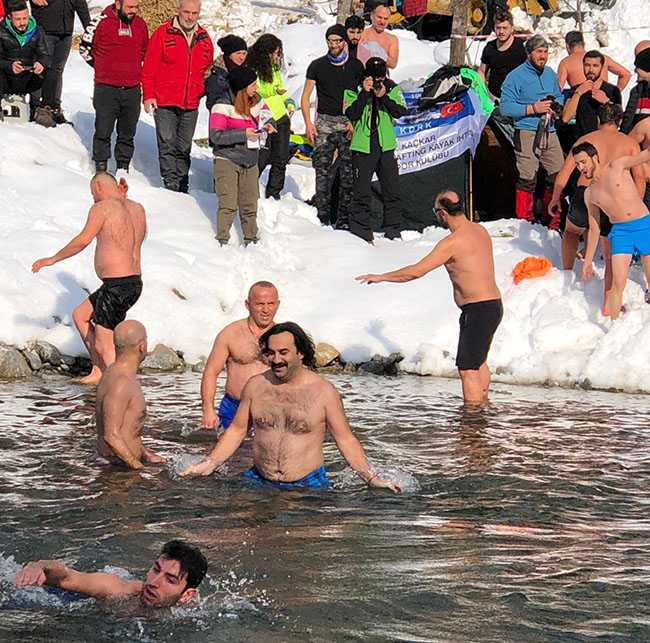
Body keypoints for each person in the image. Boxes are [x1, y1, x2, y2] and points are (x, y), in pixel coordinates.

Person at [182, 322, 402, 492]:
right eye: (271, 353)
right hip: (259, 480)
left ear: (301, 353)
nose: (276, 359)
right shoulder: (256, 386)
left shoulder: (324, 392)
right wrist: (210, 463)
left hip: (307, 486)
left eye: (284, 352)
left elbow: (345, 439)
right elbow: (237, 430)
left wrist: (371, 478)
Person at [356, 190, 502, 404]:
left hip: (478, 309)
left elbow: (416, 271)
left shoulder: (452, 243)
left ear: (443, 214)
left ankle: (472, 425)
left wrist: (382, 277)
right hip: (492, 307)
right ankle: (483, 408)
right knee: (478, 362)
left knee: (467, 369)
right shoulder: (480, 230)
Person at [32, 172, 146, 384]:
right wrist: (123, 197)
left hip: (117, 285)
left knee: (105, 343)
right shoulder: (137, 208)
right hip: (131, 283)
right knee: (80, 315)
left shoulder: (101, 208)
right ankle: (99, 371)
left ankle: (121, 387)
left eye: (93, 192)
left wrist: (53, 258)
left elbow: (83, 240)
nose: (93, 197)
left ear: (100, 187)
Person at [549, 104, 645, 316]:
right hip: (614, 204)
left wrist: (555, 198)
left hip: (586, 194)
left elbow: (565, 171)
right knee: (610, 255)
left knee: (572, 231)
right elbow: (639, 179)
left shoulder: (585, 141)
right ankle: (607, 303)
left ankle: (567, 273)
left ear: (598, 121)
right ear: (620, 122)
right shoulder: (629, 143)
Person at [141, 0, 213, 193]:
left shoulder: (204, 37)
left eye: (194, 13)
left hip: (190, 102)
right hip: (165, 99)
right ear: (178, 11)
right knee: (167, 143)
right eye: (186, 12)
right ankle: (170, 184)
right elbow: (149, 68)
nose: (190, 17)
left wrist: (200, 89)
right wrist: (148, 95)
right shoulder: (163, 34)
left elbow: (205, 66)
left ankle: (182, 184)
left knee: (184, 147)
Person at [14, 540, 208, 609]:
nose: (154, 582)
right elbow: (68, 577)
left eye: (170, 580)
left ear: (187, 595)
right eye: (156, 570)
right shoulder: (117, 589)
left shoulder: (193, 612)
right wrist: (38, 566)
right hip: (68, 599)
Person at [575, 143, 650, 320]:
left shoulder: (617, 166)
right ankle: (614, 324)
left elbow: (645, 155)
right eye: (577, 164)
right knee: (617, 283)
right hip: (620, 233)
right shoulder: (590, 193)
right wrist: (587, 261)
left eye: (583, 162)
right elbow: (594, 229)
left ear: (595, 158)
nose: (581, 168)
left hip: (643, 225)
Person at [301, 24, 363, 228]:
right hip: (325, 121)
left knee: (347, 172)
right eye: (330, 41)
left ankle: (343, 218)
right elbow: (306, 95)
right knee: (322, 169)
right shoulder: (317, 66)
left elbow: (361, 97)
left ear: (344, 42)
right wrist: (309, 123)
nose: (333, 44)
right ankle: (323, 216)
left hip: (347, 122)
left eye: (337, 40)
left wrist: (355, 123)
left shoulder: (355, 66)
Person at [500, 35, 564, 228]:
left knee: (558, 175)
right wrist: (532, 109)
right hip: (526, 131)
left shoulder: (551, 74)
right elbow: (505, 107)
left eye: (545, 52)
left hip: (549, 130)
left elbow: (559, 95)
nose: (542, 56)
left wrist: (557, 106)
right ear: (529, 53)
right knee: (528, 177)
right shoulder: (515, 76)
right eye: (538, 52)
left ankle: (552, 219)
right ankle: (525, 221)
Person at [80, 0, 149, 173]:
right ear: (118, 4)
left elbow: (144, 51)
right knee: (103, 130)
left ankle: (123, 167)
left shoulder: (140, 25)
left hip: (132, 88)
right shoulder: (100, 22)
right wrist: (102, 67)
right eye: (130, 7)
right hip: (106, 88)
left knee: (127, 133)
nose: (133, 11)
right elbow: (84, 48)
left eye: (136, 7)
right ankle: (101, 167)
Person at [209, 66, 275, 246]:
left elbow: (268, 116)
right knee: (228, 203)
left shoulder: (257, 101)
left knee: (250, 204)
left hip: (250, 160)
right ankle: (222, 240)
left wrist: (269, 124)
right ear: (242, 87)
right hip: (227, 159)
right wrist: (243, 134)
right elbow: (216, 136)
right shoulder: (222, 106)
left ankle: (251, 239)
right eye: (253, 85)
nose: (256, 88)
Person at [343, 56, 406, 243]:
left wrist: (383, 96)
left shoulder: (392, 87)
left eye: (380, 77)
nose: (377, 81)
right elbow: (351, 113)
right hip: (363, 145)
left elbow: (400, 111)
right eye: (373, 77)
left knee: (392, 189)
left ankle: (393, 230)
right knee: (361, 190)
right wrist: (365, 91)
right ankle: (361, 230)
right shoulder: (354, 87)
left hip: (385, 145)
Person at [201, 281, 279, 430]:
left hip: (272, 408)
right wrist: (208, 410)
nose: (266, 310)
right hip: (234, 407)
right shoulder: (230, 334)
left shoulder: (283, 337)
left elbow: (298, 375)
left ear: (278, 304)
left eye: (271, 304)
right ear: (247, 305)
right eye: (260, 304)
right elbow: (211, 372)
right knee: (228, 450)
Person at [95, 320, 165, 469]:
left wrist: (146, 454)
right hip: (116, 467)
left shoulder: (115, 373)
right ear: (141, 346)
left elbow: (128, 425)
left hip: (122, 461)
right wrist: (139, 468)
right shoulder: (121, 383)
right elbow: (111, 435)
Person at [246, 34, 294, 200]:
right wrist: (274, 91)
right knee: (262, 157)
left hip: (280, 117)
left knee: (281, 159)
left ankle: (274, 194)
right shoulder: (253, 69)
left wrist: (288, 100)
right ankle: (250, 190)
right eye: (274, 53)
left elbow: (279, 87)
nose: (276, 57)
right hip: (264, 118)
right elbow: (260, 91)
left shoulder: (274, 69)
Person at [28, 0, 90, 124]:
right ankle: (37, 109)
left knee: (57, 71)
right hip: (44, 28)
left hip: (65, 31)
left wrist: (89, 28)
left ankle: (54, 110)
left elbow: (80, 3)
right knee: (41, 69)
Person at [0, 0, 55, 126]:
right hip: (6, 78)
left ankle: (43, 110)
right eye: (18, 19)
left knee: (51, 72)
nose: (22, 23)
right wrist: (10, 66)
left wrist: (41, 64)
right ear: (10, 17)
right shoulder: (1, 31)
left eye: (25, 18)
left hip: (27, 76)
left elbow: (45, 55)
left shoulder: (37, 31)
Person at [561, 50, 622, 140]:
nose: (591, 70)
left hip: (604, 141)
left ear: (602, 67)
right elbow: (566, 118)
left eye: (595, 66)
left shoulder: (612, 90)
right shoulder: (576, 89)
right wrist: (578, 93)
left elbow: (619, 120)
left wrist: (606, 102)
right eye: (587, 65)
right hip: (582, 140)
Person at [556, 30, 630, 91]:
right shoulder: (602, 58)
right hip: (602, 102)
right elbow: (626, 74)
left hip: (582, 104)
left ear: (567, 47)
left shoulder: (566, 63)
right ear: (584, 44)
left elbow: (558, 89)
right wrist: (614, 94)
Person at [478, 9, 526, 100]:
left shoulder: (521, 47)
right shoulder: (490, 47)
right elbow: (482, 71)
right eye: (498, 28)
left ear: (512, 28)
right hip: (493, 98)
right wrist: (482, 90)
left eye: (505, 28)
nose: (501, 32)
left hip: (517, 98)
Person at [204, 33, 247, 112]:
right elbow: (213, 101)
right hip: (223, 117)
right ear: (229, 55)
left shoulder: (246, 72)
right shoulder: (217, 74)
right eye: (238, 53)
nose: (242, 57)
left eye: (244, 53)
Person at [358, 2, 398, 69]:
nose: (382, 22)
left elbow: (393, 64)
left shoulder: (392, 39)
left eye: (385, 19)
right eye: (379, 17)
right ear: (372, 16)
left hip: (381, 76)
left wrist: (380, 53)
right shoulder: (362, 34)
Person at [621, 46, 650, 135]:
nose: (635, 70)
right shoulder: (636, 91)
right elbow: (627, 118)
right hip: (634, 143)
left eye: (638, 67)